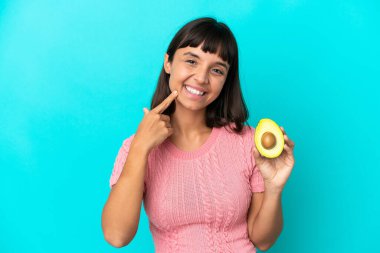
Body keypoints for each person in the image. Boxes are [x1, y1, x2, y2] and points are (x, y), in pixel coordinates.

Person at [101, 17, 295, 252]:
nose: (202, 78)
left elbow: (263, 240)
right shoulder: (135, 147)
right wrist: (140, 148)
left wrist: (274, 188)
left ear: (225, 80)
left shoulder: (247, 142)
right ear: (168, 63)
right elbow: (116, 236)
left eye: (216, 70)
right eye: (192, 61)